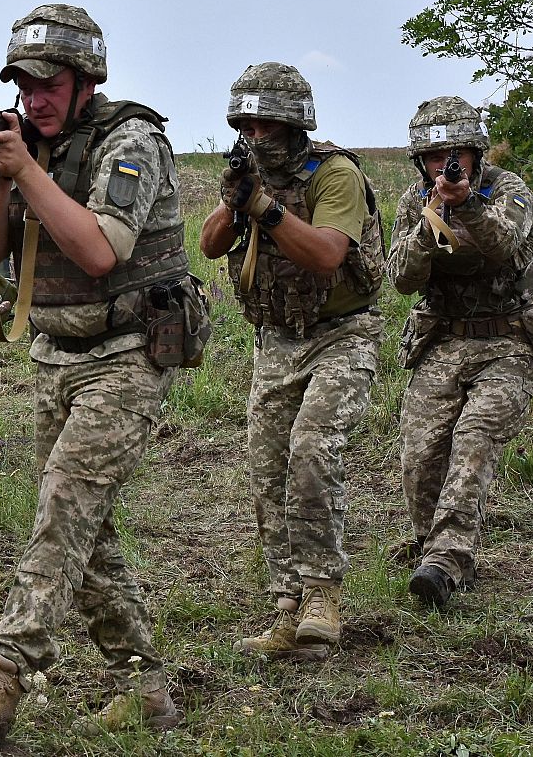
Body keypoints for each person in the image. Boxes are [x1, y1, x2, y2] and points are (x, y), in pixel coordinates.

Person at [0, 4, 200, 739]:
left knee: (61, 508)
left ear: (86, 80)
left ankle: (6, 674)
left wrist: (27, 169)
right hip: (58, 356)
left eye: (48, 82)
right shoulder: (31, 147)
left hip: (127, 357)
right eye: (23, 83)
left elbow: (99, 253)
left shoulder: (132, 141)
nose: (34, 97)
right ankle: (145, 688)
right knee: (86, 532)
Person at [198, 62, 385, 659]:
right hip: (278, 339)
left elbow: (328, 255)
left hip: (343, 332)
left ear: (295, 123)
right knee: (266, 473)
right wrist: (236, 203)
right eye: (247, 124)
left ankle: (324, 594)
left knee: (310, 455)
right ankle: (288, 604)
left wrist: (268, 211)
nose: (256, 135)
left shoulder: (335, 174)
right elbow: (208, 245)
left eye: (267, 124)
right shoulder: (249, 175)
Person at [387, 96, 533, 609]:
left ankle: (448, 559)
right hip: (444, 340)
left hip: (507, 343)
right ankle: (429, 544)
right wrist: (430, 222)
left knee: (474, 440)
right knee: (420, 455)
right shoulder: (417, 201)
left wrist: (467, 206)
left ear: (475, 152)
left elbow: (502, 245)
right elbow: (401, 278)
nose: (445, 166)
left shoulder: (508, 190)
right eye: (434, 158)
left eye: (455, 154)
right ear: (420, 162)